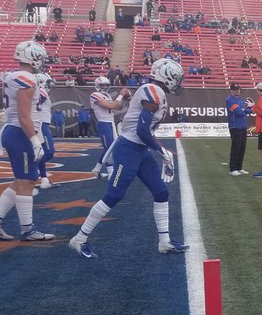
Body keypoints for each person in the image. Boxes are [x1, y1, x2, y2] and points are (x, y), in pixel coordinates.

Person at [68, 57, 189, 258]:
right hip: (129, 149)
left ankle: (164, 242)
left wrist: (160, 150)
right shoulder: (153, 91)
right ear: (166, 76)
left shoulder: (156, 92)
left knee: (161, 192)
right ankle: (79, 239)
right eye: (176, 78)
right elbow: (142, 130)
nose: (178, 82)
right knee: (114, 195)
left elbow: (146, 131)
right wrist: (161, 152)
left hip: (140, 150)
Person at [0, 41, 56, 241]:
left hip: (17, 131)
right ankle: (28, 230)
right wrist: (34, 140)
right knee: (27, 182)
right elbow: (24, 116)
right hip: (20, 133)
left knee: (21, 181)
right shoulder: (25, 78)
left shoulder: (15, 76)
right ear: (33, 57)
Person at [34, 73, 56, 188]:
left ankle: (44, 181)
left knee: (41, 153)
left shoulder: (40, 91)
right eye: (47, 82)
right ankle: (32, 170)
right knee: (49, 152)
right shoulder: (40, 91)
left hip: (41, 124)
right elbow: (33, 107)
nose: (49, 85)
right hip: (41, 125)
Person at [226, 82, 251, 175]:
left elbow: (247, 110)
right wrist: (245, 110)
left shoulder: (240, 100)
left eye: (238, 89)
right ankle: (232, 169)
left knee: (242, 148)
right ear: (231, 90)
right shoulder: (230, 100)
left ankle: (239, 167)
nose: (238, 91)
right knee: (236, 147)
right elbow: (238, 112)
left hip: (243, 126)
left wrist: (245, 110)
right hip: (235, 126)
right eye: (236, 89)